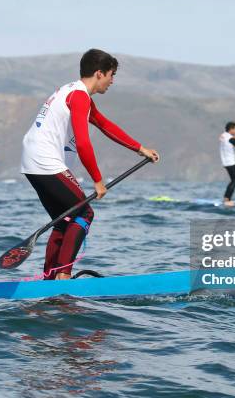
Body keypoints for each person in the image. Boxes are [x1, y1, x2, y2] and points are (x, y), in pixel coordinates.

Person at [21, 49, 159, 280]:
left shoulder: (73, 91)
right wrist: (97, 179)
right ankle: (63, 276)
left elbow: (104, 124)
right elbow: (83, 143)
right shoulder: (79, 96)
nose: (112, 81)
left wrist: (139, 148)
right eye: (111, 75)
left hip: (31, 161)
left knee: (65, 218)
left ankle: (49, 278)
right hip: (46, 162)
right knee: (84, 213)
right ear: (99, 73)